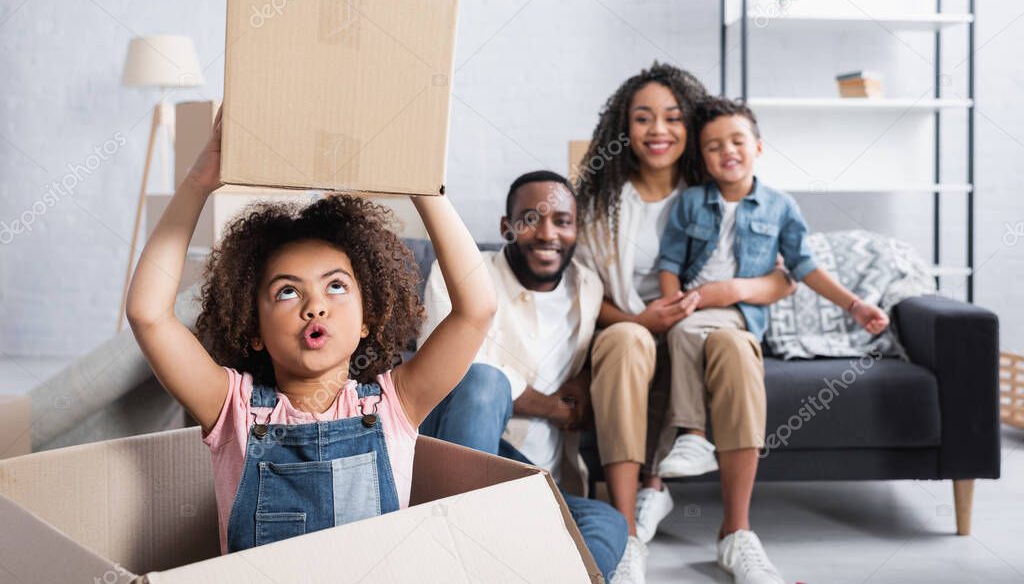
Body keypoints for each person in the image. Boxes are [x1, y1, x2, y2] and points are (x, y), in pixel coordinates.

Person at [125, 108, 496, 554]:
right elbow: (148, 314)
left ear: (366, 319)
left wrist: (424, 187)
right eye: (286, 292)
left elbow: (476, 309)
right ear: (253, 328)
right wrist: (198, 183)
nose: (314, 305)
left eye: (335, 286)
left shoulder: (396, 405)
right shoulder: (233, 411)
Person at [575, 62, 797, 584]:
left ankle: (736, 534)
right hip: (633, 332)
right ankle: (626, 534)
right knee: (627, 340)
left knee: (737, 347)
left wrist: (731, 291)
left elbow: (784, 278)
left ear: (692, 127)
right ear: (622, 128)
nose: (658, 130)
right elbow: (584, 293)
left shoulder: (719, 188)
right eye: (643, 118)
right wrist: (638, 317)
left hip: (704, 329)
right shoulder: (600, 202)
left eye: (673, 118)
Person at [655, 96, 889, 484]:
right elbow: (670, 262)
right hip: (690, 305)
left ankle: (693, 437)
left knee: (687, 333)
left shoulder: (780, 206)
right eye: (714, 147)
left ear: (757, 148)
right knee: (683, 331)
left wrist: (855, 305)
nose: (727, 151)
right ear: (702, 155)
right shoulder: (690, 202)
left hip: (739, 311)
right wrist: (672, 305)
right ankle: (674, 457)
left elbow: (804, 267)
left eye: (737, 141)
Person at [418, 171, 628, 582]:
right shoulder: (462, 274)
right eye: (531, 218)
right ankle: (460, 553)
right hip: (464, 455)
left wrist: (585, 381)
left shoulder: (586, 286)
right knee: (484, 381)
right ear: (506, 227)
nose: (546, 233)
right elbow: (447, 369)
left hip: (537, 477)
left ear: (575, 229)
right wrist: (551, 407)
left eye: (561, 221)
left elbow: (590, 350)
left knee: (609, 523)